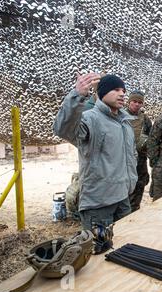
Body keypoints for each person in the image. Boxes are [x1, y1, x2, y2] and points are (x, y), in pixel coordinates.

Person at [54, 73, 137, 230]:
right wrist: (77, 96)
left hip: (123, 198)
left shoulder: (125, 123)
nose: (122, 94)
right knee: (100, 250)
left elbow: (131, 156)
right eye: (116, 89)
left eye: (123, 90)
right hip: (99, 203)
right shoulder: (90, 119)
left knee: (126, 245)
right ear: (102, 92)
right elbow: (63, 129)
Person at [125, 90, 153, 212]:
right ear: (129, 101)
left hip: (140, 161)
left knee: (139, 186)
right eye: (134, 101)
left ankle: (135, 211)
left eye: (139, 102)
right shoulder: (121, 116)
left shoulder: (145, 120)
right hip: (124, 161)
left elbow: (151, 138)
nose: (136, 104)